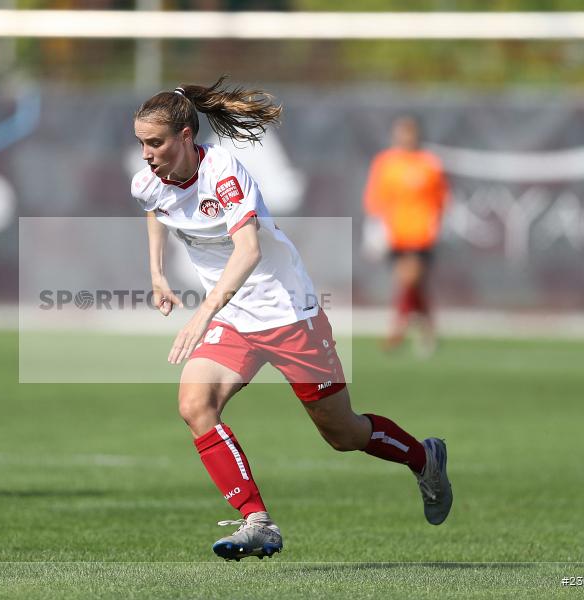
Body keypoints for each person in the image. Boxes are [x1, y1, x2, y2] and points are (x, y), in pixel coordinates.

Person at [131, 79, 453, 561]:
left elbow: (249, 250)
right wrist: (157, 273)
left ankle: (424, 458)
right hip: (236, 317)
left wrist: (204, 312)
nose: (146, 154)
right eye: (140, 143)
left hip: (286, 311)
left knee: (342, 433)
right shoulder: (148, 179)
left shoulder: (223, 171)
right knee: (195, 404)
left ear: (184, 136)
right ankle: (256, 521)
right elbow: (154, 209)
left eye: (155, 143)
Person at [363, 115, 449, 355]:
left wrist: (437, 224)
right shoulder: (386, 162)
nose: (405, 137)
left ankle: (397, 329)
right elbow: (375, 197)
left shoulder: (429, 163)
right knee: (415, 286)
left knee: (408, 279)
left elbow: (441, 198)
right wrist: (375, 229)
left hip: (421, 234)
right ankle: (428, 330)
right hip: (395, 233)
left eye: (409, 132)